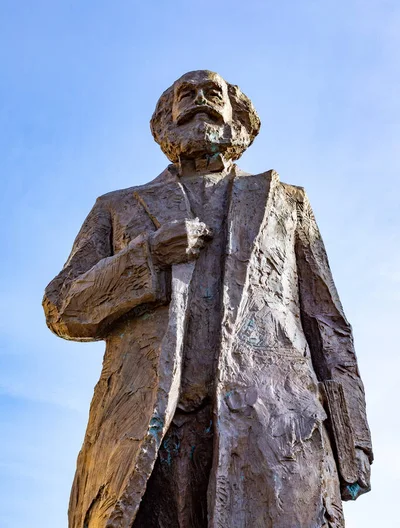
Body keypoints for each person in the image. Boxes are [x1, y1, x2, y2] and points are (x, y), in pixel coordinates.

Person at [43, 70, 372, 528]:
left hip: (275, 433)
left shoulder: (286, 202)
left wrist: (353, 445)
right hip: (142, 439)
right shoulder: (117, 207)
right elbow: (63, 307)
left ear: (239, 117)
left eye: (212, 92)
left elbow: (328, 326)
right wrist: (149, 257)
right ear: (165, 120)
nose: (200, 100)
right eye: (186, 94)